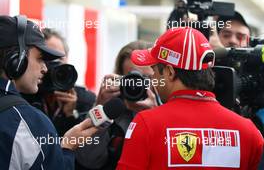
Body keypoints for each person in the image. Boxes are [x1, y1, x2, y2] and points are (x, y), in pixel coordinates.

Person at [117, 27, 263, 170]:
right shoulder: (249, 131)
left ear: (169, 72)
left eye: (154, 69)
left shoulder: (145, 124)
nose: (153, 77)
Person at [0, 15, 98, 169]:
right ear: (16, 59)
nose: (46, 68)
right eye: (40, 58)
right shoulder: (29, 120)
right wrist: (66, 148)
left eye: (56, 61)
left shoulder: (84, 98)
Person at [75, 40, 158, 170]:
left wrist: (156, 116)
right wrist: (100, 109)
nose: (136, 85)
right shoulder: (110, 109)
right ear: (119, 79)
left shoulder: (167, 109)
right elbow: (87, 160)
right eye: (131, 78)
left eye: (145, 78)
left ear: (158, 78)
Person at [22, 28, 96, 137]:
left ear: (67, 59)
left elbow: (87, 148)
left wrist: (71, 115)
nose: (52, 66)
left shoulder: (85, 99)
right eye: (47, 59)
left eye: (58, 58)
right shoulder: (24, 96)